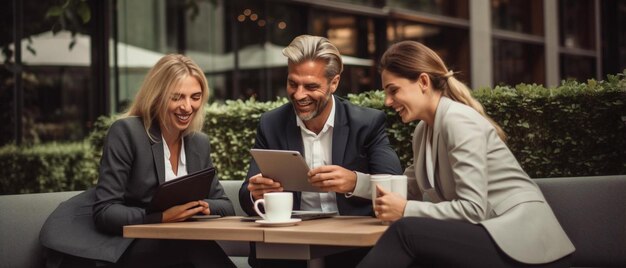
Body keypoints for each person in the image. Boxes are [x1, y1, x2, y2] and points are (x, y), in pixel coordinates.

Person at [350, 41, 576, 268]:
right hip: (490, 233)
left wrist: (406, 210)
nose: (388, 101)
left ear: (423, 82)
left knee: (406, 231)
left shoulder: (458, 120)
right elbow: (408, 187)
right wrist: (352, 182)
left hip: (525, 243)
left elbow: (473, 209)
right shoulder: (423, 130)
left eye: (393, 90)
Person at [39, 54, 236, 268]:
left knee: (190, 244)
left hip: (174, 246)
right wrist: (162, 216)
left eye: (195, 97)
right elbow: (105, 212)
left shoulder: (199, 143)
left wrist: (199, 206)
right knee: (190, 245)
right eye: (177, 97)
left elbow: (225, 206)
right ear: (157, 96)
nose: (187, 107)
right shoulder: (126, 132)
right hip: (123, 245)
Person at [238, 35, 403, 268]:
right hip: (289, 245)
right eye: (292, 83)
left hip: (351, 247)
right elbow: (246, 196)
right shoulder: (271, 123)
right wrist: (256, 192)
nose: (298, 94)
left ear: (334, 83)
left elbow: (394, 186)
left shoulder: (366, 122)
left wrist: (353, 182)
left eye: (311, 86)